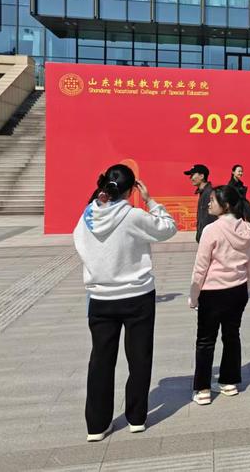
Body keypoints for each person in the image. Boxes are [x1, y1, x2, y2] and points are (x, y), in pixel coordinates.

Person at [74, 165, 177, 442]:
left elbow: (80, 244)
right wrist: (151, 201)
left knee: (100, 361)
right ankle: (136, 418)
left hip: (101, 297)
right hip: (137, 295)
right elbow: (168, 228)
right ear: (132, 190)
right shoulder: (133, 216)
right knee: (139, 358)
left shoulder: (88, 215)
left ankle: (97, 425)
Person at [188, 185, 250, 405]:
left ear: (226, 205)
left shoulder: (211, 230)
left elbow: (200, 267)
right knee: (232, 336)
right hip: (237, 290)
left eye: (213, 200)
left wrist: (194, 295)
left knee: (205, 340)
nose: (208, 203)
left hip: (212, 292)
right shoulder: (246, 229)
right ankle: (229, 382)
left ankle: (203, 389)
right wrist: (247, 287)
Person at [184, 164, 215, 242]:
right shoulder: (204, 193)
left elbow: (210, 219)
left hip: (209, 239)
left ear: (201, 176)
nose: (190, 178)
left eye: (192, 175)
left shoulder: (209, 193)